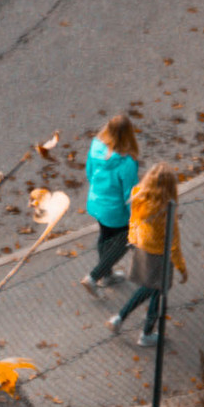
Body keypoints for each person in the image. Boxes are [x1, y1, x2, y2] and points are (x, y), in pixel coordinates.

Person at [108, 167, 187, 347]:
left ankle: (120, 318)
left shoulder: (138, 195)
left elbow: (133, 220)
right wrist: (181, 267)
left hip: (141, 248)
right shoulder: (167, 208)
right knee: (156, 290)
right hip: (160, 255)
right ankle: (145, 333)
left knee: (149, 287)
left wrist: (132, 240)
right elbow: (174, 242)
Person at [81, 116, 143, 285]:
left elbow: (89, 172)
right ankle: (95, 276)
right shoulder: (127, 162)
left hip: (96, 203)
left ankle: (107, 275)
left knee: (105, 237)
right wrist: (135, 218)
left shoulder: (96, 147)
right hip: (115, 211)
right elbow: (130, 194)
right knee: (123, 241)